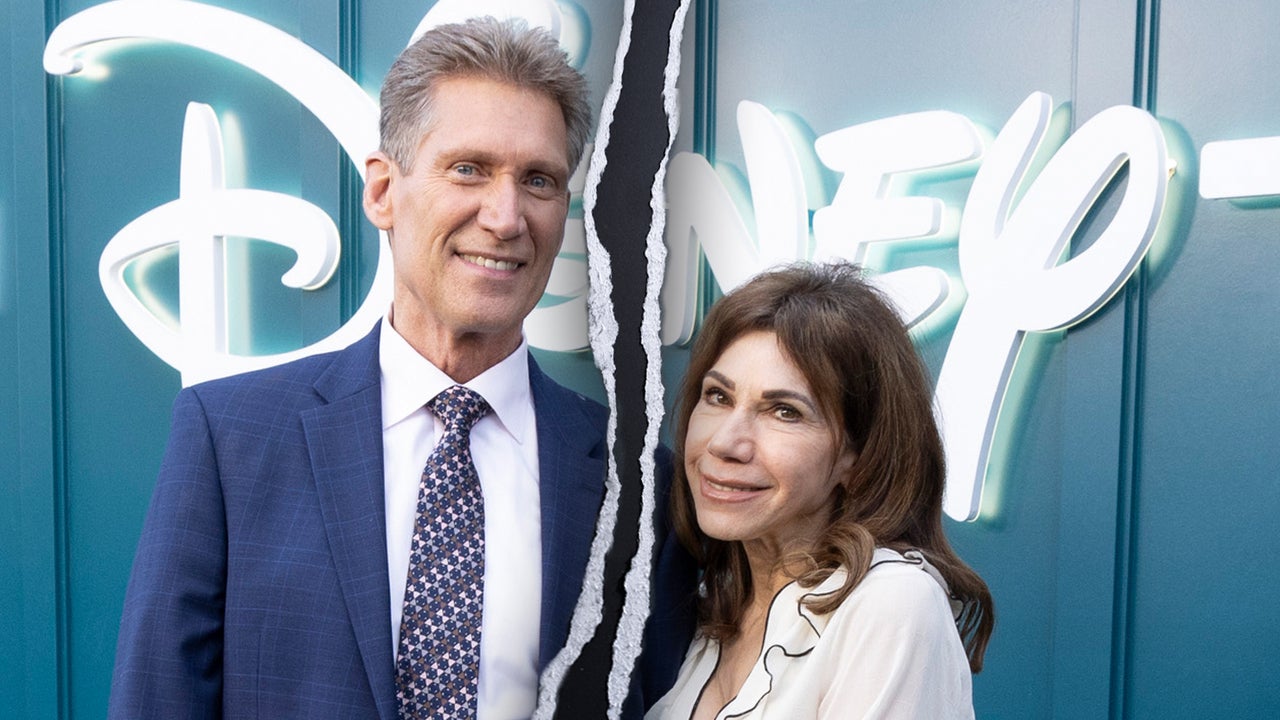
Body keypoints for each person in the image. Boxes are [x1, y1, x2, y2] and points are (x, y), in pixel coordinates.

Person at [108, 17, 692, 719]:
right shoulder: (229, 438)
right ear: (383, 191)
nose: (506, 217)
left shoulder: (637, 482)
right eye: (469, 169)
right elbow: (158, 696)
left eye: (538, 180)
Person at [647, 261, 995, 719]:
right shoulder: (710, 605)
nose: (726, 443)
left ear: (859, 455)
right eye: (718, 396)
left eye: (784, 411)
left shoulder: (890, 603)